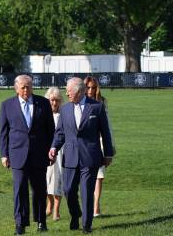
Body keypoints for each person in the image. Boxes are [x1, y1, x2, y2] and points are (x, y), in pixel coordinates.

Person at [48, 77, 114, 234]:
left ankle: (86, 225)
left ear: (78, 91)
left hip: (90, 157)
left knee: (86, 191)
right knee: (69, 190)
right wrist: (53, 147)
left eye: (69, 91)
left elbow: (105, 132)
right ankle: (75, 214)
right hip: (70, 157)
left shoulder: (97, 107)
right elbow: (60, 133)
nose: (67, 94)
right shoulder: (65, 109)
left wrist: (109, 153)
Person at [0, 75, 56, 235]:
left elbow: (51, 130)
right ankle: (20, 223)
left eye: (29, 86)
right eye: (23, 87)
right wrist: (4, 154)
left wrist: (52, 150)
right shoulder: (7, 105)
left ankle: (41, 222)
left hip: (39, 154)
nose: (26, 90)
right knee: (19, 190)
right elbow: (3, 133)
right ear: (16, 88)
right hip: (17, 154)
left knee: (39, 190)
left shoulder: (43, 103)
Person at [84, 76, 108, 218]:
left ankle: (96, 205)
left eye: (93, 87)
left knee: (99, 176)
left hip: (100, 142)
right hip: (86, 144)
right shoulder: (80, 101)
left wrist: (110, 147)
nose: (91, 90)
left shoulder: (102, 102)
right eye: (88, 87)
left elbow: (107, 126)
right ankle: (88, 204)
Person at [44, 86, 64, 222]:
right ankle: (49, 202)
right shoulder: (43, 115)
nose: (54, 103)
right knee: (45, 180)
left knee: (58, 180)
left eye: (56, 100)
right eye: (52, 100)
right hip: (45, 151)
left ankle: (56, 209)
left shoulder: (63, 115)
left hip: (61, 152)